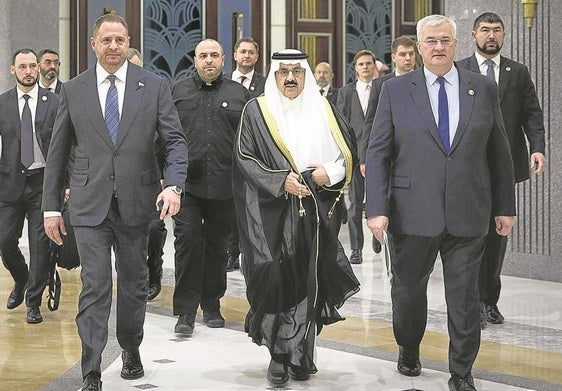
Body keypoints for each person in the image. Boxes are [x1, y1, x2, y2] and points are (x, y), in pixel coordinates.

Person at [365, 14, 516, 391]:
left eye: (445, 40)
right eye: (430, 41)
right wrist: (376, 209)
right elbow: (379, 151)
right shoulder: (395, 90)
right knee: (408, 292)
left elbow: (500, 151)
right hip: (410, 212)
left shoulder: (481, 88)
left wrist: (505, 206)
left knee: (465, 298)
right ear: (418, 47)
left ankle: (461, 371)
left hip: (469, 211)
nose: (438, 47)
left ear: (456, 44)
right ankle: (409, 346)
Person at [42, 14, 188, 391]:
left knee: (135, 283)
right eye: (105, 40)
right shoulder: (73, 90)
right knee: (95, 285)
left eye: (119, 40)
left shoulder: (153, 85)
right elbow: (57, 154)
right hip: (89, 204)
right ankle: (91, 367)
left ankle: (130, 347)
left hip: (138, 203)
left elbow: (174, 142)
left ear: (128, 43)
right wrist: (51, 207)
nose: (112, 46)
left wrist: (173, 185)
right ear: (94, 44)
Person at [233, 49, 360, 386]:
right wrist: (279, 180)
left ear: (305, 74)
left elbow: (348, 153)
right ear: (274, 76)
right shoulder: (256, 111)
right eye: (283, 72)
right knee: (274, 277)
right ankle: (278, 354)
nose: (290, 78)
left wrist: (329, 173)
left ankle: (301, 352)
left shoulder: (325, 110)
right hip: (269, 211)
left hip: (314, 211)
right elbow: (244, 158)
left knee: (309, 279)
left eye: (296, 72)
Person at [457, 12, 546, 328]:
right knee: (470, 237)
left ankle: (488, 302)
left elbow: (532, 114)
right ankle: (470, 303)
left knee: (497, 235)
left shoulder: (517, 72)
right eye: (485, 30)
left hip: (503, 167)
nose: (490, 36)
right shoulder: (459, 70)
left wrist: (537, 147)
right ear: (473, 35)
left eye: (496, 30)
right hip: (465, 170)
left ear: (503, 35)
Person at [170, 38, 249, 336]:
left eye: (214, 55)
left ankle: (212, 303)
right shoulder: (177, 92)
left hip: (225, 185)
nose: (209, 61)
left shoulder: (239, 94)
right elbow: (162, 134)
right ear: (194, 59)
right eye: (203, 55)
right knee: (187, 242)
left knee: (217, 248)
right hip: (186, 185)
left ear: (224, 59)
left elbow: (247, 140)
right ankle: (186, 311)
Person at [0, 48, 59, 324]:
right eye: (22, 66)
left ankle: (33, 303)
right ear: (13, 70)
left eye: (32, 66)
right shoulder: (2, 103)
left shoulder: (54, 102)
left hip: (42, 183)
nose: (28, 71)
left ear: (38, 68)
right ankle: (21, 279)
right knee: (5, 241)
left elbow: (65, 146)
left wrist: (65, 183)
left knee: (40, 245)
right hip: (10, 184)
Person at [126, 47, 168, 301]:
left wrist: (166, 177)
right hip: (119, 179)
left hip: (152, 177)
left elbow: (168, 138)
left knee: (153, 228)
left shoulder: (154, 93)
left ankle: (155, 268)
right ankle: (134, 277)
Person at [225, 37, 266, 272]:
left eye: (251, 52)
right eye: (243, 51)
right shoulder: (225, 83)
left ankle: (252, 250)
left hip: (255, 154)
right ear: (234, 55)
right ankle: (232, 252)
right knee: (231, 204)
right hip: (228, 152)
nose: (247, 56)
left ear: (256, 57)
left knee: (252, 204)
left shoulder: (264, 84)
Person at [336, 49, 379, 264]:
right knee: (354, 204)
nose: (365, 67)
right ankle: (356, 249)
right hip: (354, 156)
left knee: (378, 200)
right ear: (355, 68)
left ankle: (379, 237)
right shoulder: (345, 92)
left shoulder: (382, 89)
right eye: (361, 64)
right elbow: (340, 125)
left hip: (378, 154)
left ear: (374, 66)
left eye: (368, 63)